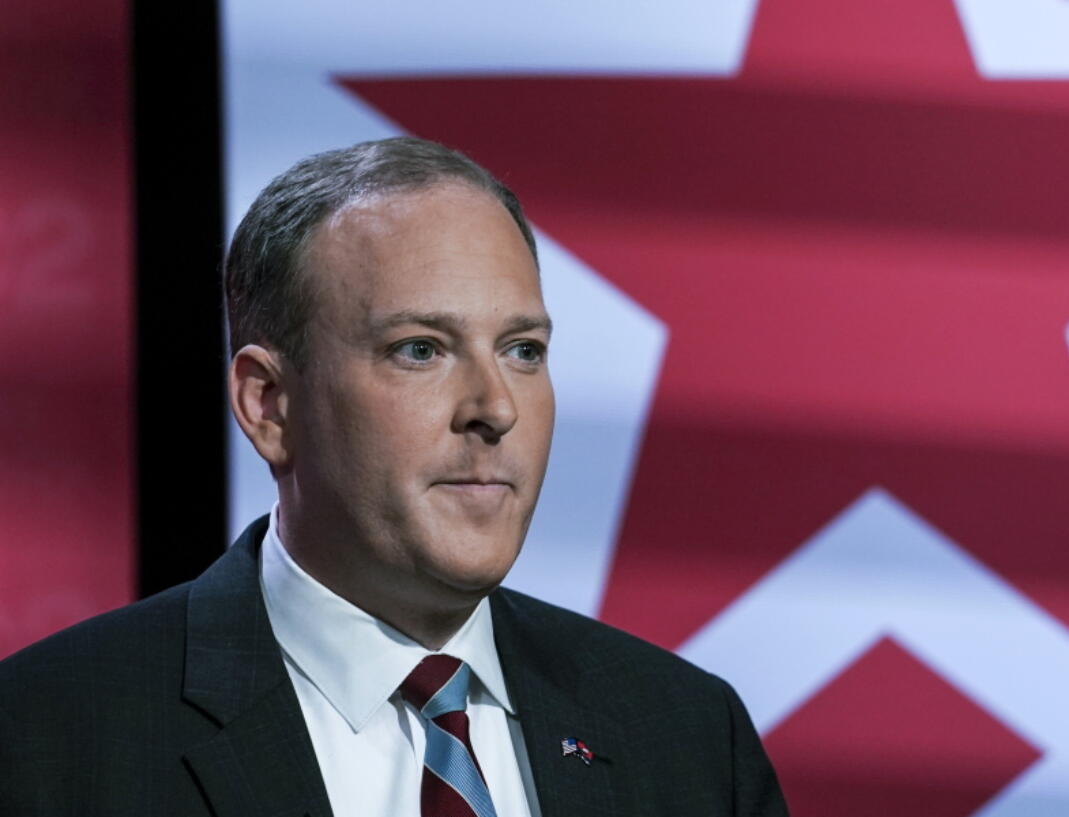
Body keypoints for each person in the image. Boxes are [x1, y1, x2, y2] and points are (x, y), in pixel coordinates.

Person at [0, 137, 787, 816]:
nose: (495, 408)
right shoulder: (51, 740)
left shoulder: (684, 736)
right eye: (421, 349)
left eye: (523, 350)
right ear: (269, 403)